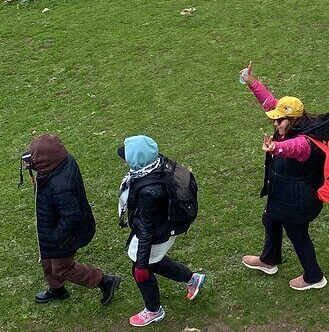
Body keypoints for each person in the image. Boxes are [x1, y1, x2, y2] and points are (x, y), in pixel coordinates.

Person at [240, 62, 329, 291]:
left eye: (279, 121)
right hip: (285, 196)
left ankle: (314, 277)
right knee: (270, 219)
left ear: (292, 120)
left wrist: (274, 148)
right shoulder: (291, 122)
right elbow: (271, 103)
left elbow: (292, 148)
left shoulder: (303, 142)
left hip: (297, 202)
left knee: (298, 236)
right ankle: (269, 260)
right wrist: (252, 83)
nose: (275, 123)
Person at [117, 135, 205, 327]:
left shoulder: (149, 192)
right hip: (163, 228)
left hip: (155, 234)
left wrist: (140, 265)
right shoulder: (156, 163)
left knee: (143, 269)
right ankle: (192, 279)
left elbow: (146, 231)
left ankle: (153, 310)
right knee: (154, 262)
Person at [22, 134, 121, 305]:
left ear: (47, 159)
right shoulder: (59, 163)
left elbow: (72, 217)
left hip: (64, 234)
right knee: (47, 258)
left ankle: (104, 281)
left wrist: (56, 237)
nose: (31, 161)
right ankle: (57, 289)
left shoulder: (61, 185)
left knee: (62, 268)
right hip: (52, 225)